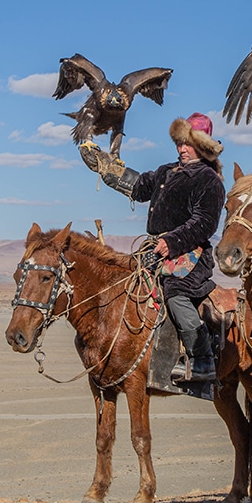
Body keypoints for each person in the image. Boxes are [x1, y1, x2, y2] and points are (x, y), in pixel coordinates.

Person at [79, 112, 226, 382]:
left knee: (175, 293)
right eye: (179, 143)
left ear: (203, 146)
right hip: (154, 251)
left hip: (189, 255)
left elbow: (205, 222)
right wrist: (105, 167)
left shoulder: (209, 180)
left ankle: (202, 358)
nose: (181, 149)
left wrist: (172, 241)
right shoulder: (165, 172)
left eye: (188, 144)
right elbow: (137, 185)